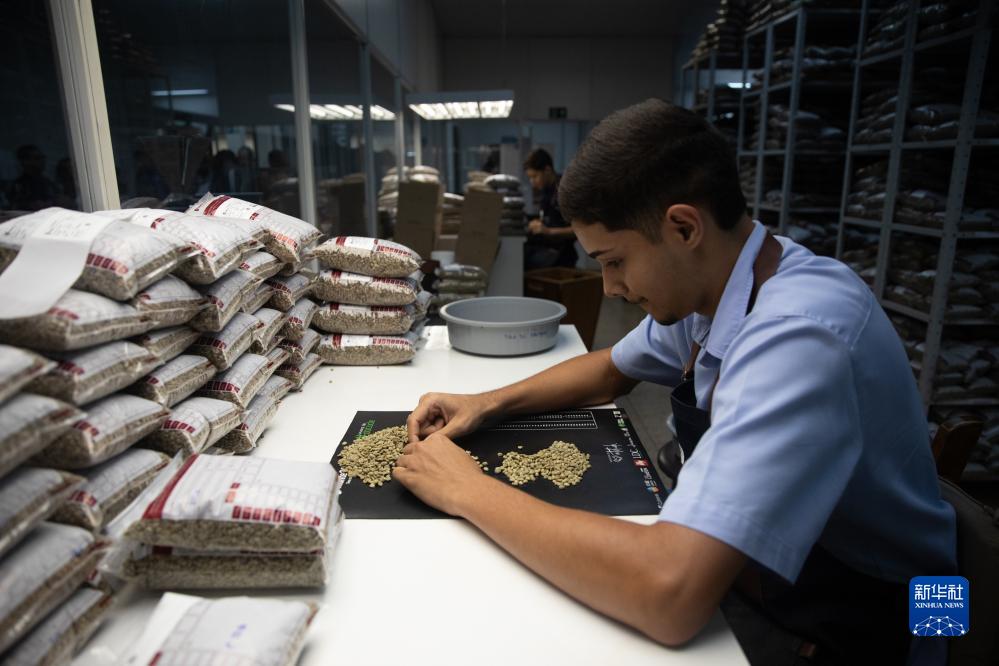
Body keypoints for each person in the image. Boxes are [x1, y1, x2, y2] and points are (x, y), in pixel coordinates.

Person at [395, 99, 956, 665]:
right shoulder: (718, 283)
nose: (610, 287)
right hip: (776, 572)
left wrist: (467, 489)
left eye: (614, 261)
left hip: (885, 616)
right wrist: (485, 404)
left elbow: (669, 593)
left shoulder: (798, 336)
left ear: (684, 227)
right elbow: (610, 369)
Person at [523, 148, 577, 269]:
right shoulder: (546, 191)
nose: (532, 182)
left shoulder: (565, 190)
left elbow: (579, 229)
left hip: (562, 256)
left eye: (535, 176)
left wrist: (548, 231)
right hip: (548, 249)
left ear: (547, 170)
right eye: (530, 178)